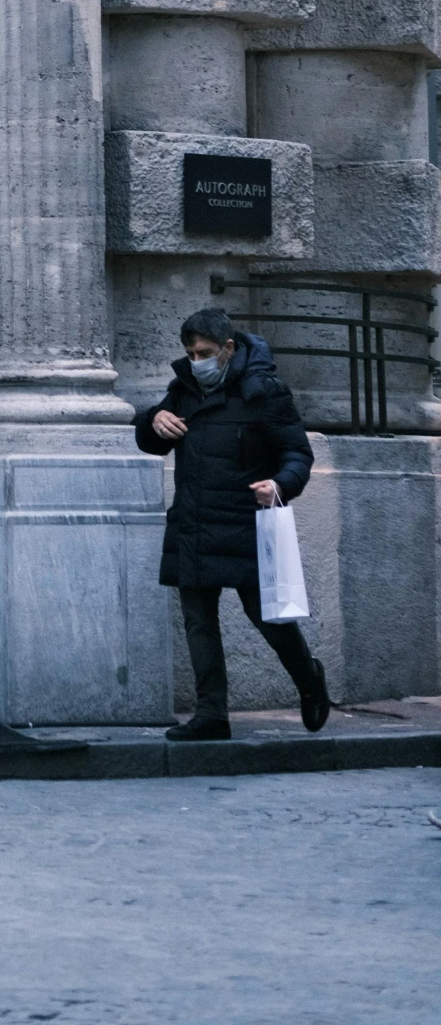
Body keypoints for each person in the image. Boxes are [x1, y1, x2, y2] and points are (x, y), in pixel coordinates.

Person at [136, 306, 330, 741]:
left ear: (227, 348)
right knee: (198, 621)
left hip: (246, 524)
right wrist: (152, 420)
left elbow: (298, 454)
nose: (196, 360)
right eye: (189, 352)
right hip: (193, 522)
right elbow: (152, 441)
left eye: (204, 351)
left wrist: (280, 486)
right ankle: (211, 715)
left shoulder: (265, 391)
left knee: (268, 617)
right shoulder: (183, 388)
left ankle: (308, 677)